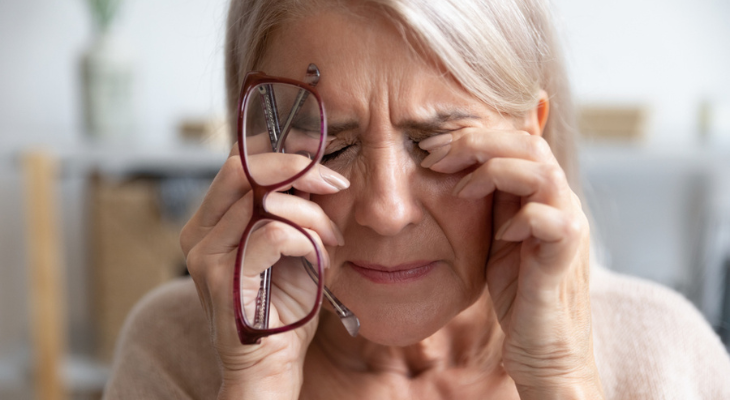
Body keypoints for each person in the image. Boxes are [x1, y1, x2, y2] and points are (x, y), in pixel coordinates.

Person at [103, 0, 730, 398]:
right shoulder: (174, 351)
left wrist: (562, 377)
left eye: (436, 143)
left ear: (529, 139)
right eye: (331, 145)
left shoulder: (663, 354)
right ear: (257, 147)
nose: (387, 209)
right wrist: (255, 386)